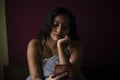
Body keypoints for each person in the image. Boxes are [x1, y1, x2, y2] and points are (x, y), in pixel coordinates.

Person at [26, 7, 86, 80]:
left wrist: (60, 47)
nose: (59, 30)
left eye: (65, 27)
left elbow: (72, 75)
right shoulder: (36, 44)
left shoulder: (75, 46)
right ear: (48, 24)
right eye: (55, 24)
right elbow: (35, 77)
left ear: (70, 29)